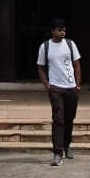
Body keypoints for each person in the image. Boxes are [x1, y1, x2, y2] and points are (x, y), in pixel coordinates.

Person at [36, 18, 80, 167]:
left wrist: (77, 85)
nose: (63, 32)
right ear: (53, 31)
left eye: (64, 30)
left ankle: (67, 145)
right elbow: (40, 67)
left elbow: (77, 65)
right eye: (60, 30)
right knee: (58, 118)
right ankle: (57, 152)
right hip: (55, 88)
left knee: (69, 118)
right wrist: (46, 84)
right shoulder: (45, 47)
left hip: (71, 87)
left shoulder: (70, 44)